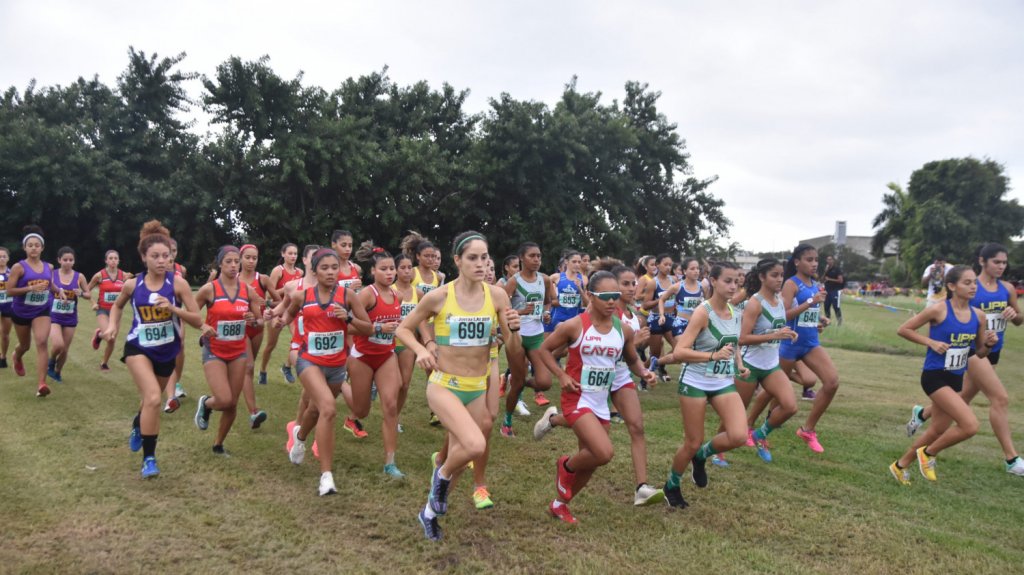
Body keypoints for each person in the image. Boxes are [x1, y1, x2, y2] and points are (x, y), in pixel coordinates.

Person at [396, 231, 521, 542]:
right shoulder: (440, 296)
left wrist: (515, 332)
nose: (481, 264)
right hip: (444, 385)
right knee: (475, 446)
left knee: (462, 455)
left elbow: (514, 350)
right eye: (473, 258)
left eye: (484, 257)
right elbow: (403, 329)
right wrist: (423, 350)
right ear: (457, 261)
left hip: (478, 386)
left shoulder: (497, 296)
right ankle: (440, 475)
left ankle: (428, 513)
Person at [535, 260, 664, 507]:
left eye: (615, 296)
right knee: (604, 452)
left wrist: (644, 373)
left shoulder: (623, 330)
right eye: (605, 296)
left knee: (593, 458)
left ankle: (560, 504)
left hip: (600, 400)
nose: (612, 301)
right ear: (591, 296)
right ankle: (565, 465)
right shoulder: (574, 325)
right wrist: (561, 376)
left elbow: (632, 359)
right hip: (577, 397)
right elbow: (544, 349)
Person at [906, 243, 1024, 476]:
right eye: (996, 262)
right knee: (999, 398)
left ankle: (922, 414)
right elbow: (950, 315)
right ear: (982, 261)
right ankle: (1011, 459)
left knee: (963, 398)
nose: (1001, 266)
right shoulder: (969, 286)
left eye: (1004, 262)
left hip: (992, 349)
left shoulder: (1008, 288)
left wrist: (1014, 315)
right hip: (970, 352)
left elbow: (1019, 319)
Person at [100, 220, 202, 478]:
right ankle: (149, 459)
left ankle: (138, 423)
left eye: (166, 256)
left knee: (148, 402)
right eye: (155, 256)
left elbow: (197, 318)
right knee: (155, 398)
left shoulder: (177, 284)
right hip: (138, 348)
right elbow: (118, 306)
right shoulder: (133, 285)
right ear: (143, 257)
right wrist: (112, 326)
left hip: (167, 351)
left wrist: (173, 309)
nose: (161, 261)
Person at [276, 248, 372, 496]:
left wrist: (349, 318)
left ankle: (300, 437)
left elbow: (368, 329)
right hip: (309, 362)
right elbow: (286, 315)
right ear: (315, 270)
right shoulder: (302, 296)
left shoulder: (348, 296)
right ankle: (326, 477)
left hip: (337, 366)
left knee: (315, 410)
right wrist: (276, 319)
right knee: (328, 408)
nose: (331, 272)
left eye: (334, 268)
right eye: (325, 268)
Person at [660, 262, 750, 509]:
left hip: (722, 381)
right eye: (728, 281)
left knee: (739, 435)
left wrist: (739, 364)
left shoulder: (735, 311)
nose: (733, 286)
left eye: (736, 281)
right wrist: (712, 357)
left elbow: (733, 344)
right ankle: (672, 484)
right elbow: (680, 351)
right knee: (692, 442)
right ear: (714, 281)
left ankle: (702, 456)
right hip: (695, 381)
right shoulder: (703, 312)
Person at [889, 265, 991, 484]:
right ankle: (928, 454)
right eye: (967, 282)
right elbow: (904, 329)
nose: (973, 286)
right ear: (952, 286)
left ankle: (900, 466)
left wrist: (989, 345)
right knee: (970, 425)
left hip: (955, 378)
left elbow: (981, 353)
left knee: (937, 430)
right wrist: (930, 342)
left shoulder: (979, 317)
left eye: (974, 282)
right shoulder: (939, 309)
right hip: (934, 376)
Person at [192, 246, 259, 455]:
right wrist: (203, 326)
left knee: (232, 404)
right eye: (228, 261)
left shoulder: (247, 290)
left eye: (235, 261)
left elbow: (258, 320)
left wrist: (253, 319)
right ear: (220, 264)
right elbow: (191, 314)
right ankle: (207, 404)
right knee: (223, 399)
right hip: (215, 350)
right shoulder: (209, 289)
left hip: (238, 351)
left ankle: (218, 444)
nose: (233, 265)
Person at [350, 242, 406, 478]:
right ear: (373, 271)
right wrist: (378, 327)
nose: (390, 273)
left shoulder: (397, 295)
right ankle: (342, 387)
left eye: (392, 268)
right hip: (362, 357)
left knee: (391, 407)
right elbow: (348, 326)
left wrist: (396, 328)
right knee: (361, 411)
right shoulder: (366, 294)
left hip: (386, 356)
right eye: (384, 269)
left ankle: (390, 463)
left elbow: (394, 327)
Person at [736, 259, 800, 463]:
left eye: (781, 275)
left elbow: (774, 329)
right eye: (774, 275)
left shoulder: (779, 301)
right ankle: (717, 451)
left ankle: (758, 435)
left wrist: (788, 333)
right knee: (736, 415)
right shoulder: (755, 303)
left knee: (790, 407)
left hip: (771, 366)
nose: (780, 279)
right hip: (750, 365)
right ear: (762, 277)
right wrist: (775, 336)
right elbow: (743, 338)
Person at [778, 244, 839, 453]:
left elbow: (807, 313)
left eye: (816, 260)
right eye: (809, 260)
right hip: (789, 345)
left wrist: (819, 320)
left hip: (811, 343)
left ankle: (808, 429)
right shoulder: (790, 284)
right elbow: (784, 315)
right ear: (797, 262)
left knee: (831, 383)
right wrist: (812, 302)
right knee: (771, 391)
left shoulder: (815, 284)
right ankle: (752, 426)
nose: (814, 264)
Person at [502, 242, 553, 436]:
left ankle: (518, 381)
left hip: (536, 335)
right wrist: (521, 311)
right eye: (532, 256)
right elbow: (502, 309)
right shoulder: (514, 282)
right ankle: (506, 422)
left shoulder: (545, 280)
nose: (537, 260)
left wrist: (546, 314)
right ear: (522, 258)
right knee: (517, 383)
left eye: (539, 256)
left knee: (545, 382)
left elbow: (547, 302)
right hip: (516, 336)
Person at [7, 226, 58, 396]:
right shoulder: (18, 267)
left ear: (42, 248)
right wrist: (30, 289)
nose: (34, 248)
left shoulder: (48, 267)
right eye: (30, 245)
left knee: (42, 341)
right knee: (25, 345)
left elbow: (49, 284)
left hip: (42, 310)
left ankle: (41, 384)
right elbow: (9, 291)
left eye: (37, 245)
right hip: (21, 311)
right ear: (25, 248)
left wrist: (58, 290)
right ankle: (17, 356)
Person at [237, 244, 273, 428]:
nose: (251, 261)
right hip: (239, 329)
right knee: (249, 367)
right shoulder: (232, 279)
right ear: (240, 258)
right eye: (248, 257)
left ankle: (235, 383)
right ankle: (254, 412)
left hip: (258, 328)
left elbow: (280, 302)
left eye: (255, 258)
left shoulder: (263, 279)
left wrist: (266, 304)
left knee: (245, 370)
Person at [259, 243, 302, 384]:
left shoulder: (300, 273)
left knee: (299, 340)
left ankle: (287, 367)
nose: (293, 256)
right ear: (283, 254)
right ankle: (263, 371)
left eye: (295, 254)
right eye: (290, 253)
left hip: (293, 311)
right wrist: (286, 289)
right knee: (271, 345)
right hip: (277, 310)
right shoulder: (278, 271)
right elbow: (269, 296)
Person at [47, 247, 91, 383]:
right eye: (65, 260)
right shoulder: (52, 274)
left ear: (74, 261)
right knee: (58, 344)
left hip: (70, 317)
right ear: (59, 260)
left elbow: (88, 294)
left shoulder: (80, 276)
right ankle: (51, 361)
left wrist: (81, 294)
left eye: (70, 260)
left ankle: (57, 372)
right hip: (54, 316)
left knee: (65, 349)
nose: (68, 262)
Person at [88, 250, 133, 372]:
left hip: (117, 312)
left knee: (112, 339)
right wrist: (93, 303)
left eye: (115, 258)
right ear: (106, 261)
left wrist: (128, 281)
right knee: (109, 336)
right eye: (111, 258)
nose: (113, 260)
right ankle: (100, 335)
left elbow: (128, 292)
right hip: (103, 310)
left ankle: (104, 363)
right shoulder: (99, 275)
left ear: (118, 261)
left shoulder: (124, 275)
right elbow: (86, 290)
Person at [164, 238, 189, 403]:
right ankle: (169, 392)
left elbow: (185, 298)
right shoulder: (155, 270)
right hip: (158, 318)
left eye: (173, 251)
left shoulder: (181, 270)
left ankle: (176, 383)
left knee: (180, 349)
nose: (170, 255)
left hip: (177, 316)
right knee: (165, 353)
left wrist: (183, 321)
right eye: (168, 251)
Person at [0, 247, 12, 368]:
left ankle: (3, 357)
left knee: (4, 334)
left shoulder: (12, 273)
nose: (2, 259)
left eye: (4, 256)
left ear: (8, 258)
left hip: (8, 305)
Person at [822, 255, 844, 325]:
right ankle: (828, 322)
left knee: (836, 307)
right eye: (828, 259)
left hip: (835, 291)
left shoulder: (837, 269)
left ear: (833, 261)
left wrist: (829, 279)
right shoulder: (826, 269)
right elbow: (822, 279)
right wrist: (825, 272)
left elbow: (840, 280)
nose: (829, 261)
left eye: (830, 259)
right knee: (826, 306)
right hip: (827, 291)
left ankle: (839, 323)